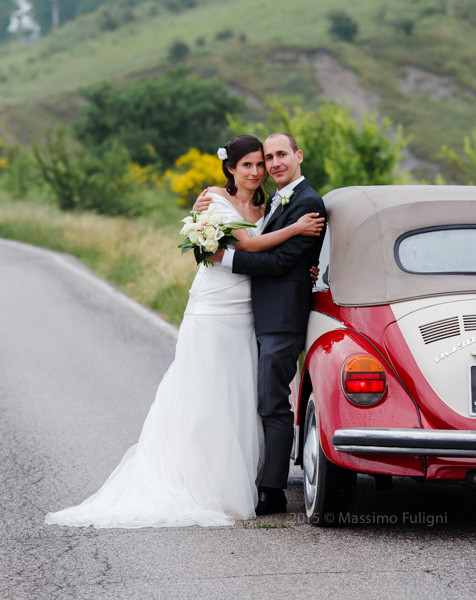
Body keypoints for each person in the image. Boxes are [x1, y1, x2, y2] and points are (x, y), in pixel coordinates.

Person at [45, 134, 324, 528]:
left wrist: (309, 267)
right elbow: (250, 243)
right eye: (250, 164)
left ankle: (247, 478)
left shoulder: (269, 202)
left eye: (262, 162)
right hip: (215, 304)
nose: (259, 170)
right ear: (230, 168)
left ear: (293, 157)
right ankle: (201, 480)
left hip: (249, 308)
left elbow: (276, 256)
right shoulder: (213, 198)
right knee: (205, 389)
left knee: (240, 393)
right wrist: (292, 232)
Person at [195, 132, 326, 515]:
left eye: (279, 154)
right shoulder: (272, 201)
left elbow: (280, 262)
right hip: (254, 312)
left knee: (272, 403)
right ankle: (255, 478)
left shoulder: (309, 203)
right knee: (255, 399)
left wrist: (223, 258)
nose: (272, 164)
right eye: (267, 158)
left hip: (281, 318)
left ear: (298, 155)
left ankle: (273, 490)